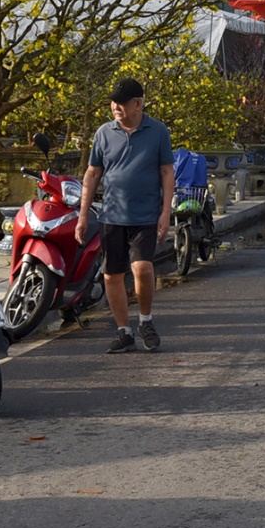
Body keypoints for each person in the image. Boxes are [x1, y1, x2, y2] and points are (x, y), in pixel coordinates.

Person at [77, 78, 175, 353]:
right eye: (113, 102)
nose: (116, 107)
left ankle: (145, 320)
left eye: (122, 102)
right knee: (112, 275)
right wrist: (83, 215)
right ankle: (124, 331)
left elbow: (167, 171)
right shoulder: (104, 133)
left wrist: (166, 212)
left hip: (145, 215)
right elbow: (93, 174)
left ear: (138, 103)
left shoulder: (157, 131)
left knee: (142, 268)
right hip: (111, 216)